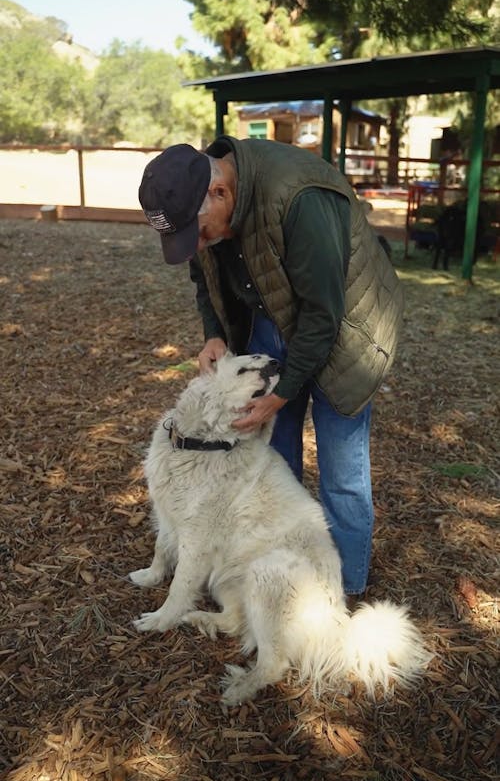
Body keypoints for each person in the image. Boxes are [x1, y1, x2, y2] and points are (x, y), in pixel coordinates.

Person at [138, 137, 403, 596]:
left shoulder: (300, 197)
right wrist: (214, 333)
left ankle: (345, 590)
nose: (198, 242)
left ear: (220, 193)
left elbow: (323, 316)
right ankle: (287, 569)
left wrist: (281, 394)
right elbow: (206, 279)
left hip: (347, 328)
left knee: (342, 470)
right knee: (272, 454)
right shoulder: (199, 202)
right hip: (273, 316)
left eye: (197, 232)